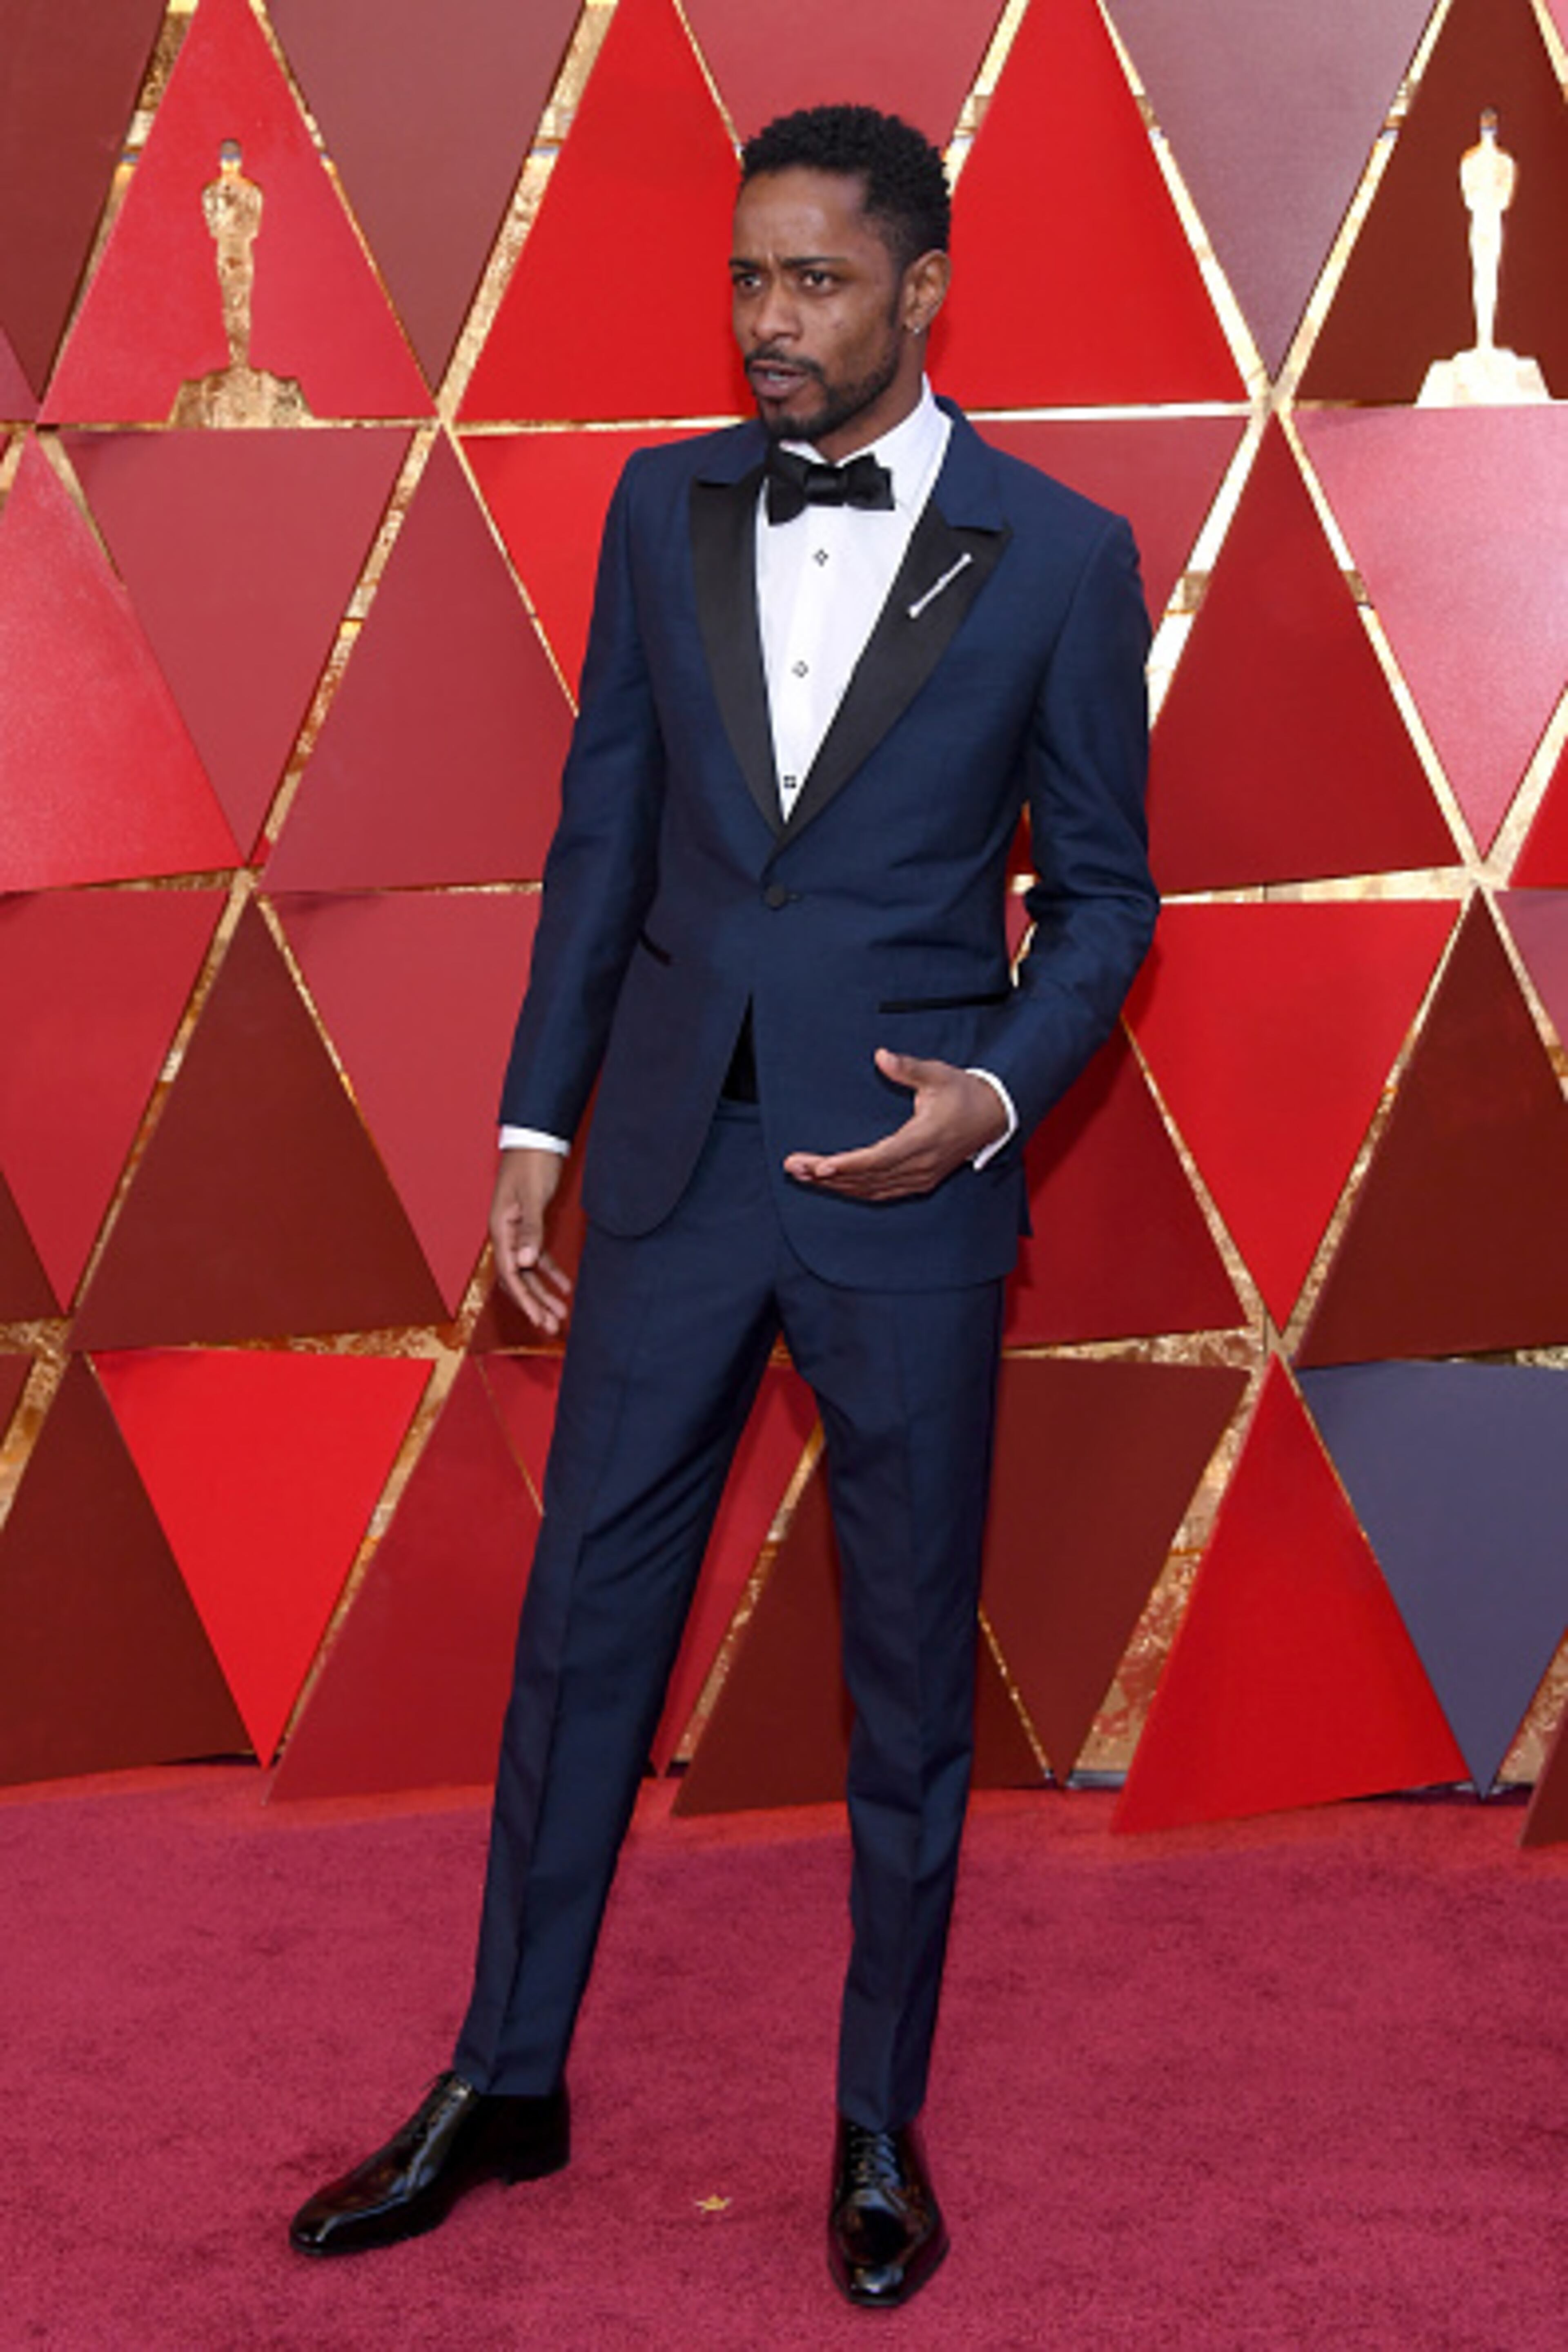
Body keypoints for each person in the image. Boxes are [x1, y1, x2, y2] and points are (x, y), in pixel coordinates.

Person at [290, 103, 1156, 2310]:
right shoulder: (656, 503)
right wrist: (536, 1128)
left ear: (923, 292)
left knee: (898, 1682)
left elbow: (1109, 903)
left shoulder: (1060, 554)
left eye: (818, 284)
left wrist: (993, 1095)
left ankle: (877, 2126)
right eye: (750, 281)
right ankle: (503, 2078)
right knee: (577, 1637)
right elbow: (607, 836)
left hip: (903, 1182)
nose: (772, 324)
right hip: (669, 1169)